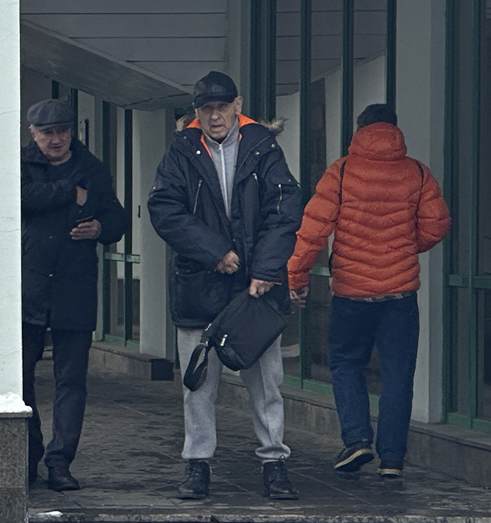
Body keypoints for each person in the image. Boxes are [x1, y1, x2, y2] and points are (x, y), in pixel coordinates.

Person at [148, 71, 303, 501]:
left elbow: (284, 210)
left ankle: (274, 462)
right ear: (196, 113)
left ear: (237, 105)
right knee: (198, 384)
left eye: (221, 106)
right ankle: (197, 465)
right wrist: (214, 251)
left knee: (267, 382)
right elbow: (164, 208)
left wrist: (266, 270)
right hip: (200, 286)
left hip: (257, 291)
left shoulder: (263, 147)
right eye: (206, 109)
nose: (215, 116)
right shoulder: (181, 150)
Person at [287, 103, 450, 478]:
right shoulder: (417, 173)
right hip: (400, 296)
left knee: (345, 365)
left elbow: (312, 230)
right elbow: (436, 225)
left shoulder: (341, 172)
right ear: (395, 130)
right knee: (397, 375)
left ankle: (358, 440)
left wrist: (298, 278)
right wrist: (405, 248)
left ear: (359, 130)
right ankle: (392, 461)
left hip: (351, 294)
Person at [21, 98, 129, 490]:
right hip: (29, 288)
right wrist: (70, 192)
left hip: (75, 288)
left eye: (62, 131)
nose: (56, 139)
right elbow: (21, 199)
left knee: (72, 382)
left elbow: (117, 217)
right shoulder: (21, 164)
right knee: (22, 381)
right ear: (33, 135)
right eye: (47, 132)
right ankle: (28, 455)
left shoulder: (93, 169)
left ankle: (60, 462)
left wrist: (100, 227)